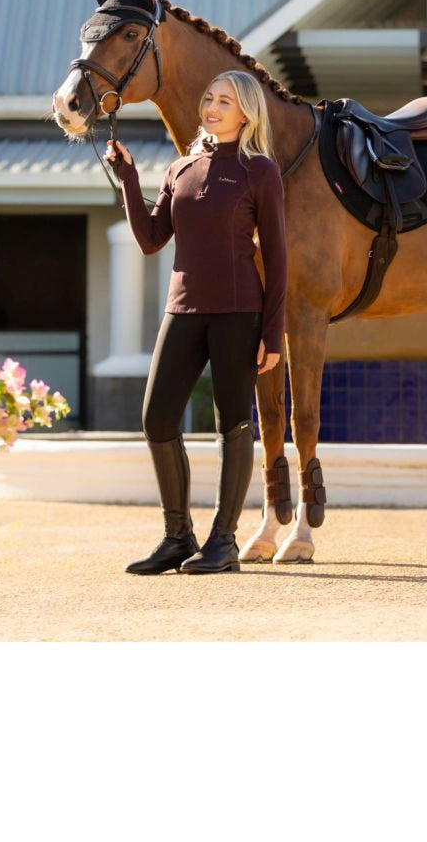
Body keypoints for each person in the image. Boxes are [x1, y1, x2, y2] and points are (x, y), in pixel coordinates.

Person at [105, 69, 287, 575]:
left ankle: (223, 542)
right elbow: (150, 239)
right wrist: (129, 179)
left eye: (224, 101)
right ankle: (177, 537)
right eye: (209, 98)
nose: (212, 107)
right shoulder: (182, 168)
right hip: (182, 309)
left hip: (238, 312)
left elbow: (276, 255)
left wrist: (273, 333)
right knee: (156, 419)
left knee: (232, 425)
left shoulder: (260, 171)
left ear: (246, 112)